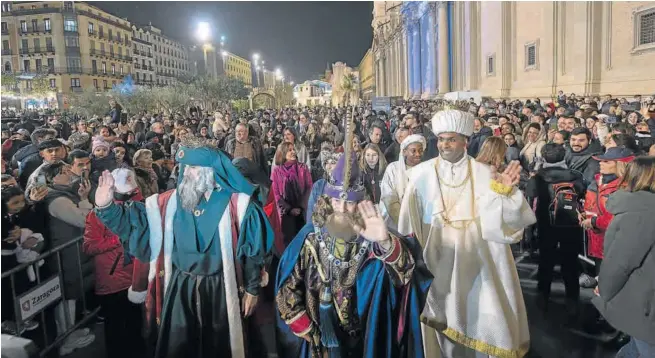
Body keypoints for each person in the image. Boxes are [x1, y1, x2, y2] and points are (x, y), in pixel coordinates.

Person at [93, 136, 273, 358]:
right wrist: (106, 206)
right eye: (184, 167)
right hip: (179, 288)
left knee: (220, 347)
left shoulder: (240, 205)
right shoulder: (165, 203)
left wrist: (253, 289)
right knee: (179, 346)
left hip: (221, 289)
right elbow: (135, 224)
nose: (186, 173)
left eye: (194, 167)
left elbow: (253, 252)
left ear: (212, 169)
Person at [398, 108, 536, 358]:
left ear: (465, 141)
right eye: (441, 139)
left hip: (479, 262)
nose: (444, 145)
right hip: (436, 258)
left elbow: (507, 227)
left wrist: (504, 194)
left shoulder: (485, 173)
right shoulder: (421, 173)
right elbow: (409, 222)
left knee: (481, 318)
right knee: (442, 322)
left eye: (451, 139)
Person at [274, 151, 432, 358]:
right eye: (336, 202)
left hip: (365, 339)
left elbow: (407, 276)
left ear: (360, 203)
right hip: (320, 340)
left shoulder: (373, 239)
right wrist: (304, 325)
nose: (342, 209)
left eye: (349, 203)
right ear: (327, 201)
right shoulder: (310, 238)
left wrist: (384, 242)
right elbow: (288, 287)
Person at [591, 157, 655, 357]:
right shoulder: (643, 212)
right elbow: (621, 262)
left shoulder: (640, 211)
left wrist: (604, 289)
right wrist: (605, 289)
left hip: (644, 303)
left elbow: (621, 262)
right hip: (643, 304)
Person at [83, 169, 145, 358]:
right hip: (112, 279)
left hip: (135, 277)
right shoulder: (96, 214)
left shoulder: (139, 207)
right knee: (115, 329)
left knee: (136, 325)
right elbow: (89, 246)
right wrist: (117, 239)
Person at [526, 143, 586, 314]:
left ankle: (543, 296)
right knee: (570, 262)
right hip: (570, 223)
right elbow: (582, 192)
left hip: (546, 223)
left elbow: (530, 195)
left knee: (546, 261)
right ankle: (572, 299)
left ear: (543, 157)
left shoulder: (538, 177)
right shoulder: (575, 176)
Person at [579, 147, 634, 288]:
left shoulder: (626, 187)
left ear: (620, 165)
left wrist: (593, 221)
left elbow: (618, 218)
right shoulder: (598, 181)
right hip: (596, 241)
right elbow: (594, 205)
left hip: (614, 243)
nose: (601, 164)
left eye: (607, 162)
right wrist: (585, 214)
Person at [270, 142, 313, 249]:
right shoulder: (277, 171)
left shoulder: (303, 168)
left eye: (293, 149)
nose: (293, 152)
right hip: (286, 214)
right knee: (288, 243)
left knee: (303, 242)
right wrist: (289, 209)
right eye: (289, 150)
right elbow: (276, 194)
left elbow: (309, 188)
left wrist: (300, 207)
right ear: (283, 153)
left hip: (302, 212)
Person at [380, 135, 426, 230]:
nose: (418, 154)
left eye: (420, 150)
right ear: (404, 152)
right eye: (413, 151)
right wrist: (405, 224)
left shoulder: (427, 170)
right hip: (396, 225)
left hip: (421, 225)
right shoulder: (393, 169)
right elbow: (389, 199)